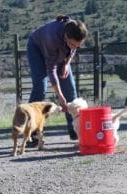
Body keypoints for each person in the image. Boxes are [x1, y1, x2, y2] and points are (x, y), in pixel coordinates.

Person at [26, 15, 87, 146]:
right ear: (65, 36)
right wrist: (59, 96)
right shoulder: (52, 38)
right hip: (36, 48)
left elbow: (72, 49)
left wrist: (67, 63)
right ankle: (32, 132)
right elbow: (51, 69)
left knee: (70, 89)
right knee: (40, 88)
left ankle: (75, 129)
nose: (74, 47)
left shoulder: (74, 36)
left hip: (58, 53)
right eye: (72, 44)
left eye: (77, 45)